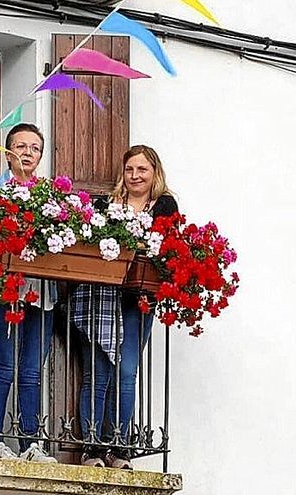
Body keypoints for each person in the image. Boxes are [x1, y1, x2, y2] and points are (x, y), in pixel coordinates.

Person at [72, 145, 178, 469]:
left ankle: (119, 448)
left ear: (154, 173)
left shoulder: (164, 205)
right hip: (103, 298)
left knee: (127, 372)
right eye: (130, 169)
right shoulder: (106, 204)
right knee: (98, 374)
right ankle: (92, 448)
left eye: (142, 170)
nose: (135, 176)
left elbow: (165, 244)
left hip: (139, 300)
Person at [0, 123, 57, 462]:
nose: (27, 153)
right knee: (4, 365)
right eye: (20, 146)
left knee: (33, 370)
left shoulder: (49, 194)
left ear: (40, 155)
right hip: (1, 289)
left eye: (34, 148)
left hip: (40, 289)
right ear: (7, 153)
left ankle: (32, 444)